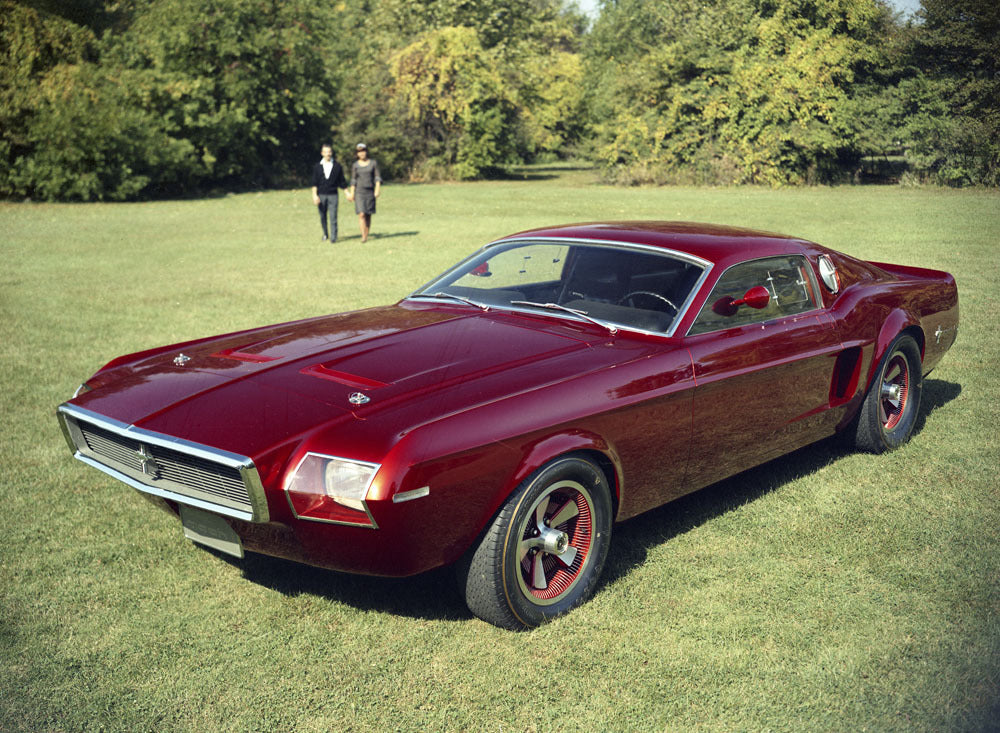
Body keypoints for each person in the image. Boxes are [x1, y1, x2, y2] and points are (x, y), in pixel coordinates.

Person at [311, 143, 348, 242]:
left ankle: (333, 237)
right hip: (321, 195)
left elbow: (342, 181)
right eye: (326, 152)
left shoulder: (337, 166)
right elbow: (314, 183)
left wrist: (347, 193)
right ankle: (325, 234)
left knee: (333, 217)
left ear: (331, 153)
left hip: (333, 195)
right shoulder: (317, 167)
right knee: (323, 216)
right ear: (322, 153)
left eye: (329, 152)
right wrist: (314, 195)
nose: (328, 154)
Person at [346, 143, 381, 243]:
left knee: (368, 214)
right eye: (359, 152)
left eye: (363, 151)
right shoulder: (355, 165)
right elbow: (353, 180)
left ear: (366, 152)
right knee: (361, 214)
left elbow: (377, 177)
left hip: (370, 191)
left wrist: (377, 189)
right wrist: (352, 193)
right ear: (357, 153)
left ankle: (366, 232)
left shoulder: (373, 163)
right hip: (359, 192)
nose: (362, 153)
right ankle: (363, 237)